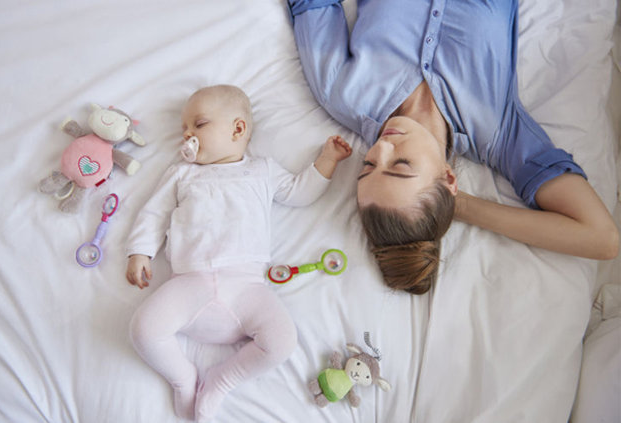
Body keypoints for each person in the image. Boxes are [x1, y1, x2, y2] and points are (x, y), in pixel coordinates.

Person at [286, 0, 619, 294]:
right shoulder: (498, 132)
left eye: (368, 166)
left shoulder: (341, 92)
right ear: (448, 178)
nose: (382, 148)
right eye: (400, 165)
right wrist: (455, 206)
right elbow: (601, 238)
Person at [125, 84, 352, 420]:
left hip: (246, 288)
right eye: (184, 128)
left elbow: (299, 192)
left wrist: (327, 160)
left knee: (283, 341)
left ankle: (223, 380)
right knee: (143, 330)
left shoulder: (262, 170)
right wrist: (140, 251)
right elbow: (155, 213)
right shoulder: (182, 174)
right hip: (188, 283)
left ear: (238, 129)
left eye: (199, 124)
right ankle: (183, 378)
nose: (187, 134)